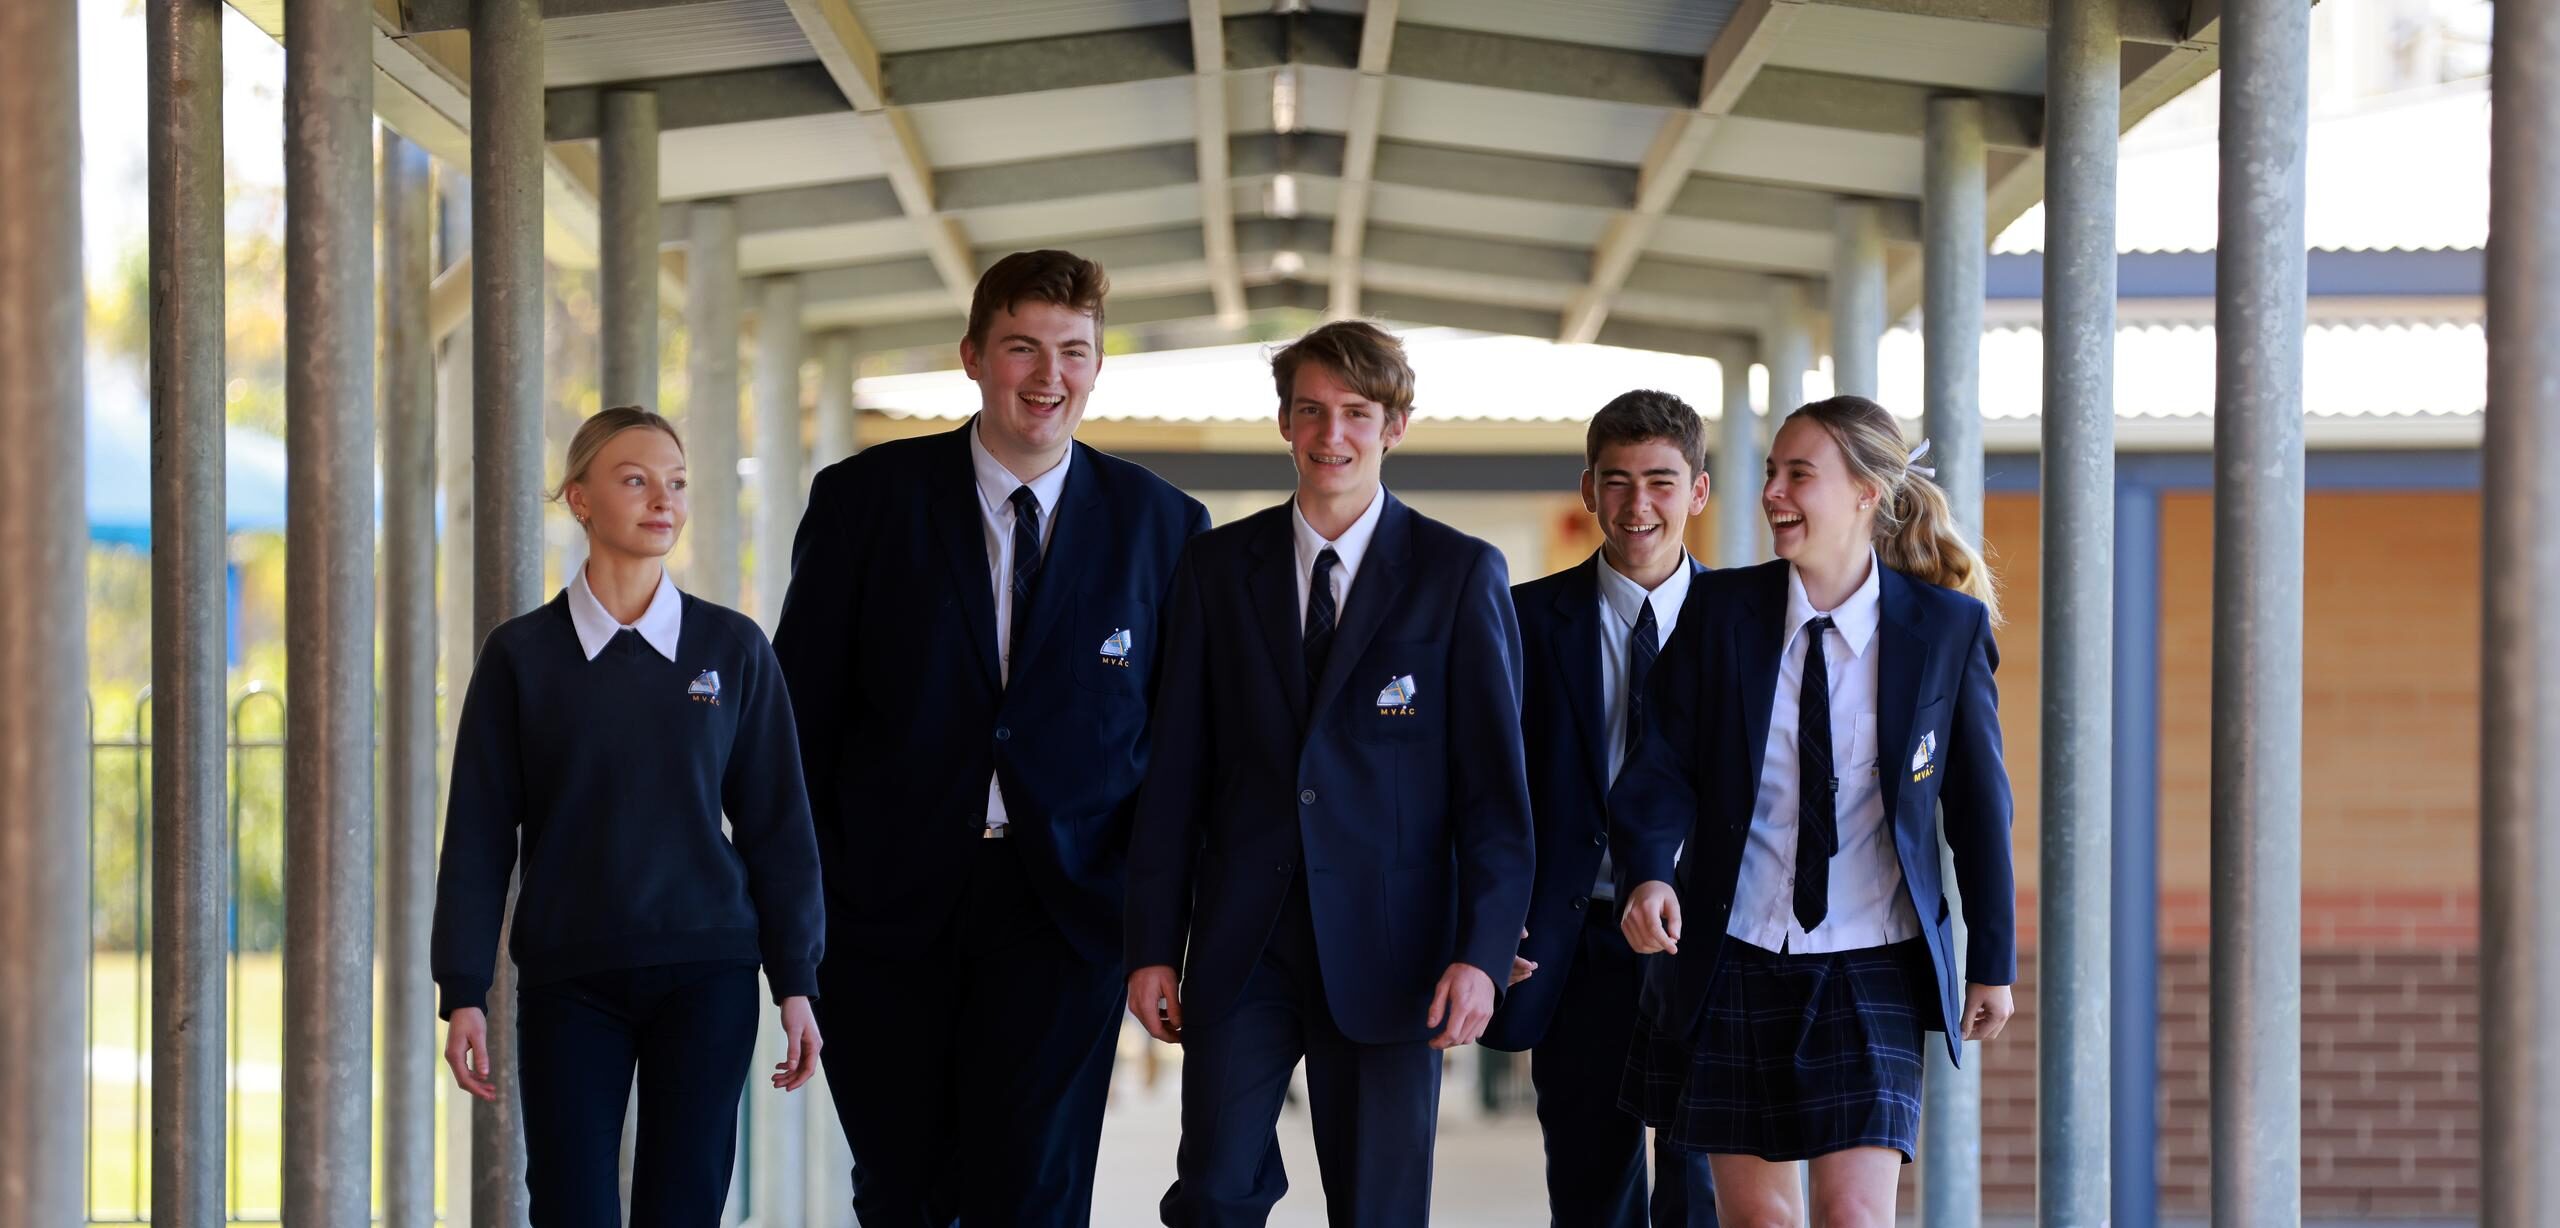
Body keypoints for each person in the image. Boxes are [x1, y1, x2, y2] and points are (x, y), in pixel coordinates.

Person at [772, 249, 1210, 1227]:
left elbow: (1183, 755)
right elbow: (796, 721)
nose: (1047, 376)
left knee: (1033, 1194)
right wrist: (796, 918)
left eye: (1072, 351)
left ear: (1096, 365)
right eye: (1022, 347)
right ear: (973, 356)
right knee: (900, 1189)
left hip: (1064, 915)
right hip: (880, 908)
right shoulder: (863, 502)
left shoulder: (1164, 526)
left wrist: (1162, 932)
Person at [1125, 320, 1535, 1226]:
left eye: (1356, 412)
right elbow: (1176, 774)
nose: (1331, 434)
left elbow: (1494, 796)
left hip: (1395, 952)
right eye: (1311, 410)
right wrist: (1153, 942)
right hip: (1243, 942)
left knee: (1379, 1210)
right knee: (1212, 1196)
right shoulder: (1217, 567)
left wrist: (1480, 950)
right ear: (1284, 423)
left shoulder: (1460, 575)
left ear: (1395, 426)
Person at [1610, 394, 2018, 1228]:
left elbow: (1979, 808)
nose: (1773, 492)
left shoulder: (1947, 631)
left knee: (1853, 1220)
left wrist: (1994, 961)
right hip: (1735, 950)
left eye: (1800, 474)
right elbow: (1661, 769)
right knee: (1760, 1223)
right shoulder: (1722, 615)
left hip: (1875, 960)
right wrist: (1650, 874)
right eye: (1771, 473)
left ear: (1867, 491)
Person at [432, 406, 825, 1228]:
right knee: (570, 1209)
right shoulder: (520, 657)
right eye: (635, 479)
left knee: (683, 1211)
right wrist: (463, 986)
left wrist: (796, 981)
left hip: (708, 973)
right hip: (570, 979)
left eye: (676, 483)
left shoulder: (735, 649)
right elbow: (476, 831)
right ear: (579, 499)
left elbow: (778, 827)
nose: (663, 500)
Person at [1481, 390, 1720, 1227]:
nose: (1638, 504)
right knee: (1590, 1191)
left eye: (1661, 480)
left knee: (1704, 1192)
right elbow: (1483, 788)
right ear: (1589, 489)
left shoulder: (1746, 626)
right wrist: (1487, 919)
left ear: (1697, 489)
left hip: (1711, 949)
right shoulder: (1518, 620)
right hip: (1578, 941)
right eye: (1617, 481)